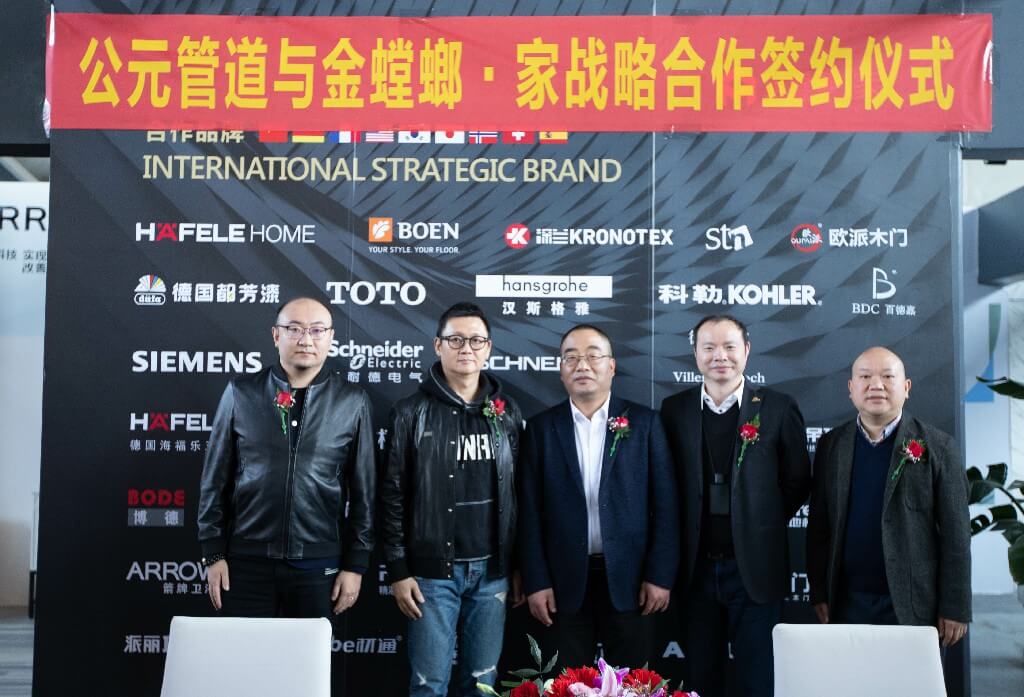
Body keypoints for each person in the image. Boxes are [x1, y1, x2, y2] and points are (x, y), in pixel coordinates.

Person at [660, 314, 810, 697]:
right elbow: (664, 485)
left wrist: (759, 522)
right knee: (699, 678)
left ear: (746, 350)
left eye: (729, 347)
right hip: (694, 570)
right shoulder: (674, 410)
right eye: (709, 347)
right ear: (695, 353)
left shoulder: (777, 407)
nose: (719, 356)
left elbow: (797, 481)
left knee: (757, 679)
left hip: (755, 569)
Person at [198, 296, 375, 617]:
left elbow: (364, 491)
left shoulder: (352, 401)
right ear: (276, 335)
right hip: (245, 560)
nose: (306, 339)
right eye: (294, 329)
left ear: (331, 338)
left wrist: (356, 564)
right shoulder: (242, 392)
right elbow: (215, 480)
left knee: (308, 652)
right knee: (243, 649)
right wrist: (213, 553)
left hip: (319, 562)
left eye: (317, 330)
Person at [380, 302, 523, 697]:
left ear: (488, 347)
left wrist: (517, 564)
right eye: (456, 339)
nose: (466, 348)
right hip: (431, 574)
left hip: (492, 572)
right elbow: (391, 495)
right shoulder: (410, 412)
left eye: (476, 340)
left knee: (483, 685)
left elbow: (519, 495)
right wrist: (398, 570)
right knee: (429, 685)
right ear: (438, 345)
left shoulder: (506, 412)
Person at [518, 324, 678, 670]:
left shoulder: (645, 424)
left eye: (593, 356)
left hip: (632, 581)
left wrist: (659, 575)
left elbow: (666, 508)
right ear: (561, 369)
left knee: (633, 685)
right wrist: (536, 582)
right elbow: (528, 514)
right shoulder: (541, 429)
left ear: (612, 366)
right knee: (566, 685)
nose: (582, 365)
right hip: (562, 585)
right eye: (571, 357)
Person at [807, 346, 970, 645]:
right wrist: (819, 590)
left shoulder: (939, 447)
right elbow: (819, 526)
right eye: (865, 377)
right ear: (851, 388)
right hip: (846, 602)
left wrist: (955, 605)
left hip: (915, 605)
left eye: (887, 376)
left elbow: (956, 535)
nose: (876, 385)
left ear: (906, 387)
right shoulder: (832, 445)